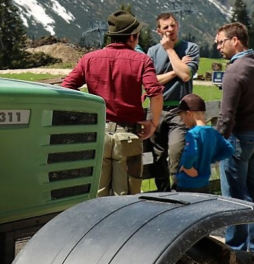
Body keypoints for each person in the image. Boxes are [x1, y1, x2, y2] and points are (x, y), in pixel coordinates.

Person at [62, 10, 164, 196]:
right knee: (126, 198)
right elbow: (155, 94)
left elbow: (66, 88)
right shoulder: (142, 60)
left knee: (96, 195)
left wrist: (86, 117)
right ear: (133, 37)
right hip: (128, 136)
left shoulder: (89, 59)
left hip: (98, 136)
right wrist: (153, 123)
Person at [215, 22, 254, 259]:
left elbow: (226, 115)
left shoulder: (234, 72)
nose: (218, 47)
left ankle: (236, 251)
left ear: (235, 40)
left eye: (220, 41)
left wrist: (217, 143)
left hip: (239, 139)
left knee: (234, 198)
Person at [147, 13, 200, 191]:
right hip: (156, 109)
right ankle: (162, 193)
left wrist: (170, 50)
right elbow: (150, 82)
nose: (170, 30)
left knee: (176, 152)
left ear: (178, 26)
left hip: (179, 111)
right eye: (166, 27)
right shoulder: (153, 52)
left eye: (173, 25)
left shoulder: (191, 49)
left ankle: (179, 192)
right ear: (159, 31)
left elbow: (186, 75)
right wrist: (174, 70)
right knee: (157, 155)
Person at [175, 94, 233, 193]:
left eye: (182, 117)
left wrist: (187, 167)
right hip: (204, 183)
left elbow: (191, 153)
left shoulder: (192, 134)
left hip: (187, 183)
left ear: (189, 114)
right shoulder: (212, 132)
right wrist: (211, 159)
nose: (183, 121)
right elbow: (229, 149)